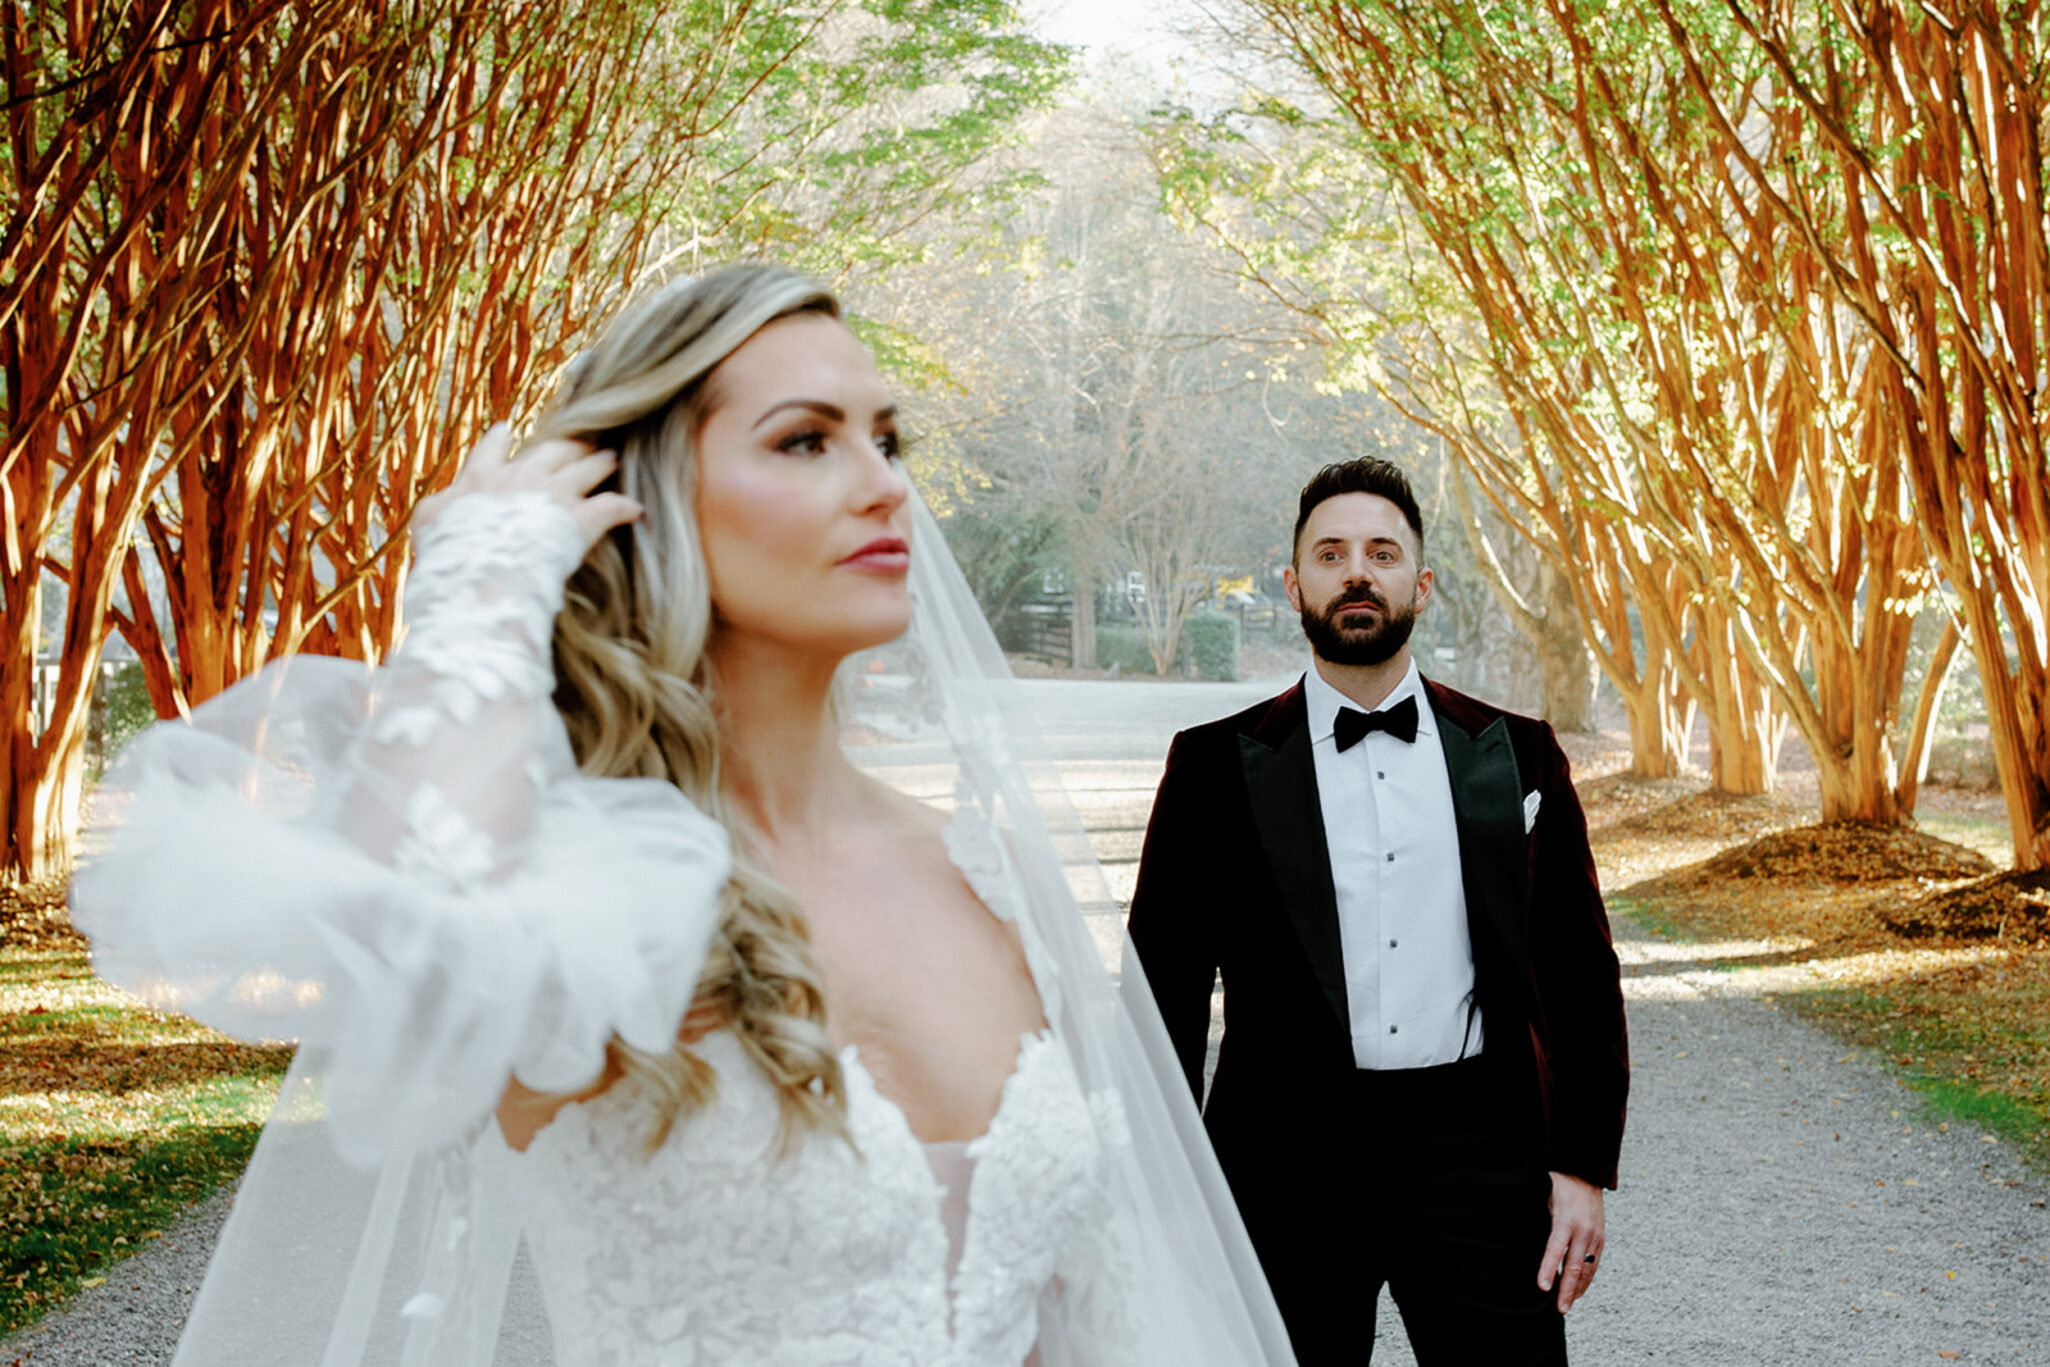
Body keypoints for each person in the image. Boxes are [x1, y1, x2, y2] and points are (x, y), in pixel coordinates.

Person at [74, 265, 1296, 1366]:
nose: (885, 486)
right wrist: (481, 589)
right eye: (806, 441)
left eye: (887, 437)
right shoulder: (578, 881)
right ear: (641, 497)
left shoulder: (978, 869)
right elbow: (401, 936)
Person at [1125, 458, 1629, 1365]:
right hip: (1283, 1163)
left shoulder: (1520, 754)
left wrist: (1584, 1165)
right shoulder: (1210, 766)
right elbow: (1159, 992)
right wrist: (1164, 1190)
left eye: (1381, 552)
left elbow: (1579, 971)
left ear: (1420, 584)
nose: (1357, 572)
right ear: (1294, 585)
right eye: (1331, 553)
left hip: (1479, 1155)